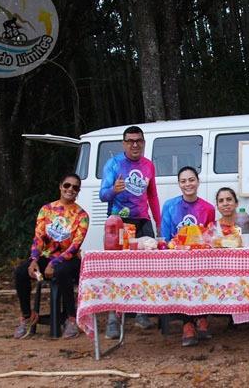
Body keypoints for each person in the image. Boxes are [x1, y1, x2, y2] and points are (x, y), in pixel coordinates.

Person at [100, 125, 161, 338]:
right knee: (117, 270)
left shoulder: (148, 165)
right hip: (120, 222)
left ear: (143, 143)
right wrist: (113, 190)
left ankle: (141, 312)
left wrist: (158, 221)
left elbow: (152, 196)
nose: (135, 144)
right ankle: (113, 318)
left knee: (147, 268)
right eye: (130, 141)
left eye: (139, 141)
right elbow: (102, 195)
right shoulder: (114, 163)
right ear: (124, 143)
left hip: (143, 221)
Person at [13, 173, 89, 339]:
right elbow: (38, 237)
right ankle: (27, 316)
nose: (70, 189)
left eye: (75, 187)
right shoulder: (46, 210)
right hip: (46, 256)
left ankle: (71, 318)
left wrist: (54, 263)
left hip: (69, 259)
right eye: (67, 185)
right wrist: (33, 260)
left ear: (78, 191)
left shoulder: (82, 216)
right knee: (20, 272)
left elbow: (75, 246)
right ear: (60, 186)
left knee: (62, 272)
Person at [161, 166, 216, 346]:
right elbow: (166, 237)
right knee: (181, 279)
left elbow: (209, 238)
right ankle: (187, 324)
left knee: (204, 277)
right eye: (183, 181)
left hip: (201, 259)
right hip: (177, 259)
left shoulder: (208, 208)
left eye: (191, 180)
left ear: (198, 182)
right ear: (179, 184)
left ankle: (201, 317)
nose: (188, 184)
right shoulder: (170, 206)